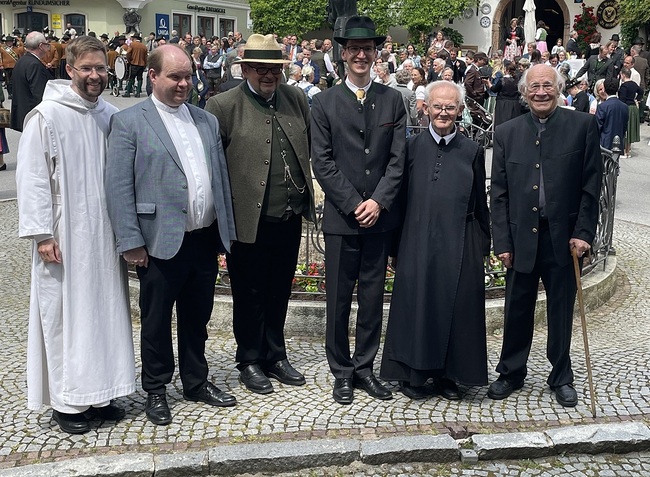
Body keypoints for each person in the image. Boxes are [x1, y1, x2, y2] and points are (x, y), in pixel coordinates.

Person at [105, 44, 238, 426]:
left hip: (202, 238)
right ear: (153, 76)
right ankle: (157, 389)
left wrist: (224, 235)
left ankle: (196, 382)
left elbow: (219, 180)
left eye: (187, 76)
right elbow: (118, 187)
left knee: (198, 318)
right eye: (175, 77)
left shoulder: (205, 120)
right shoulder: (129, 122)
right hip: (158, 241)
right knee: (157, 320)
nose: (184, 84)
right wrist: (130, 241)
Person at [15, 36, 135, 435]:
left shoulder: (109, 115)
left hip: (103, 232)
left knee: (104, 310)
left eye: (101, 68)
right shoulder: (46, 116)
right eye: (86, 68)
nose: (95, 76)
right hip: (64, 233)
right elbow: (32, 179)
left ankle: (102, 393)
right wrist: (41, 234)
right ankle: (68, 402)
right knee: (66, 313)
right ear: (69, 70)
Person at [205, 34, 314, 395]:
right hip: (247, 221)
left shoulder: (296, 99)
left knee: (280, 288)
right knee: (249, 293)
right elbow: (212, 169)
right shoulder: (223, 106)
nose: (268, 75)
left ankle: (275, 355)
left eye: (275, 69)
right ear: (246, 69)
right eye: (260, 68)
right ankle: (249, 359)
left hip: (288, 216)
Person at [489, 64, 602, 408]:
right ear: (524, 93)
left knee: (561, 309)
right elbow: (500, 193)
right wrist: (503, 242)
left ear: (559, 89)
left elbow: (590, 186)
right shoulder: (507, 132)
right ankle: (511, 371)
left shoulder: (582, 126)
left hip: (563, 238)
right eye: (534, 87)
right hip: (522, 236)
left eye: (547, 86)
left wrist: (584, 233)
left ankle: (561, 376)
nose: (541, 92)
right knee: (517, 308)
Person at [311, 16, 406, 405]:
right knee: (338, 298)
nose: (361, 55)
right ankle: (342, 371)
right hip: (342, 220)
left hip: (379, 220)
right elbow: (323, 161)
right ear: (343, 53)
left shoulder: (392, 99)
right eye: (354, 49)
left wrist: (378, 201)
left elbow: (398, 160)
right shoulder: (323, 102)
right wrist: (354, 204)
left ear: (375, 52)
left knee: (371, 297)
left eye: (368, 48)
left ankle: (365, 367)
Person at [380, 80, 490, 400]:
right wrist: (393, 246)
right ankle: (413, 374)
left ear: (460, 111)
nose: (443, 113)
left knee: (456, 308)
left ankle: (448, 377)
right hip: (416, 236)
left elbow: (479, 203)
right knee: (417, 304)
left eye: (450, 107)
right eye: (437, 106)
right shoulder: (411, 146)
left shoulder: (471, 150)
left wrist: (483, 244)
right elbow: (397, 198)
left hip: (460, 240)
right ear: (425, 108)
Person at [10, 31, 53, 132]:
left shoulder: (22, 61)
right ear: (41, 46)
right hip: (33, 118)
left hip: (23, 113)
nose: (47, 48)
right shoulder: (34, 65)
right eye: (46, 45)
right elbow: (40, 94)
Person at [617, 67, 643, 158]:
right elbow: (641, 91)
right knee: (630, 129)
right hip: (633, 107)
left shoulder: (624, 86)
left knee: (626, 129)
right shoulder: (634, 84)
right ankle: (628, 151)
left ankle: (624, 151)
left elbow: (622, 99)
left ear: (623, 75)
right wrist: (637, 100)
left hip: (626, 107)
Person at [595, 77, 628, 150]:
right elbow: (625, 126)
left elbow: (597, 127)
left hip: (604, 143)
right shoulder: (625, 106)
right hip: (619, 143)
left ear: (605, 89)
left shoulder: (602, 107)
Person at [124, 33, 147, 97]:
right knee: (140, 78)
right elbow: (146, 57)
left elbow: (128, 53)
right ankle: (138, 92)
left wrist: (129, 60)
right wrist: (145, 64)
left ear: (134, 39)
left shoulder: (132, 45)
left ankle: (128, 92)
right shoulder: (144, 46)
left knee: (131, 78)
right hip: (141, 64)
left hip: (134, 64)